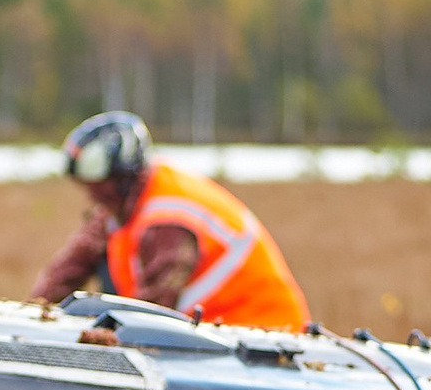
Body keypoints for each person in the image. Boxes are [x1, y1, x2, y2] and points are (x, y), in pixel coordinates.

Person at [26, 111, 312, 333]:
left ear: (122, 177)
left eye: (98, 185)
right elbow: (69, 267)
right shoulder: (118, 205)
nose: (90, 194)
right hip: (217, 331)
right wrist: (32, 315)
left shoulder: (168, 219)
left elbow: (151, 313)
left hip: (264, 331)